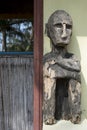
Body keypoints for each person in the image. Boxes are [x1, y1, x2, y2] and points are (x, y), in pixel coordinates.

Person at [43, 10, 81, 125]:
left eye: (68, 27)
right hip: (52, 116)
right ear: (48, 30)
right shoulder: (46, 59)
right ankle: (49, 116)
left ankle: (75, 116)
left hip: (69, 115)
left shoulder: (73, 58)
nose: (64, 34)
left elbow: (77, 70)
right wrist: (70, 72)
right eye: (58, 26)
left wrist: (59, 64)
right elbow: (50, 73)